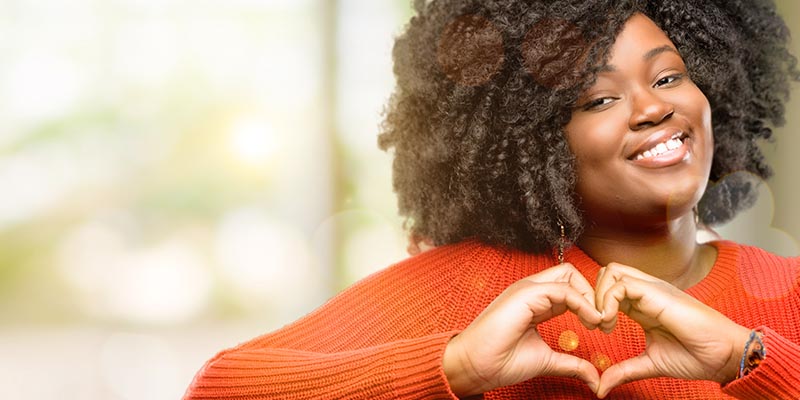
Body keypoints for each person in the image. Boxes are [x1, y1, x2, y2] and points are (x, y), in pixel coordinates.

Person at [183, 0, 800, 398]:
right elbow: (219, 391)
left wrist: (744, 358)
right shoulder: (472, 291)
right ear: (531, 145)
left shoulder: (789, 289)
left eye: (668, 77)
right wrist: (453, 367)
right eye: (599, 99)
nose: (654, 108)